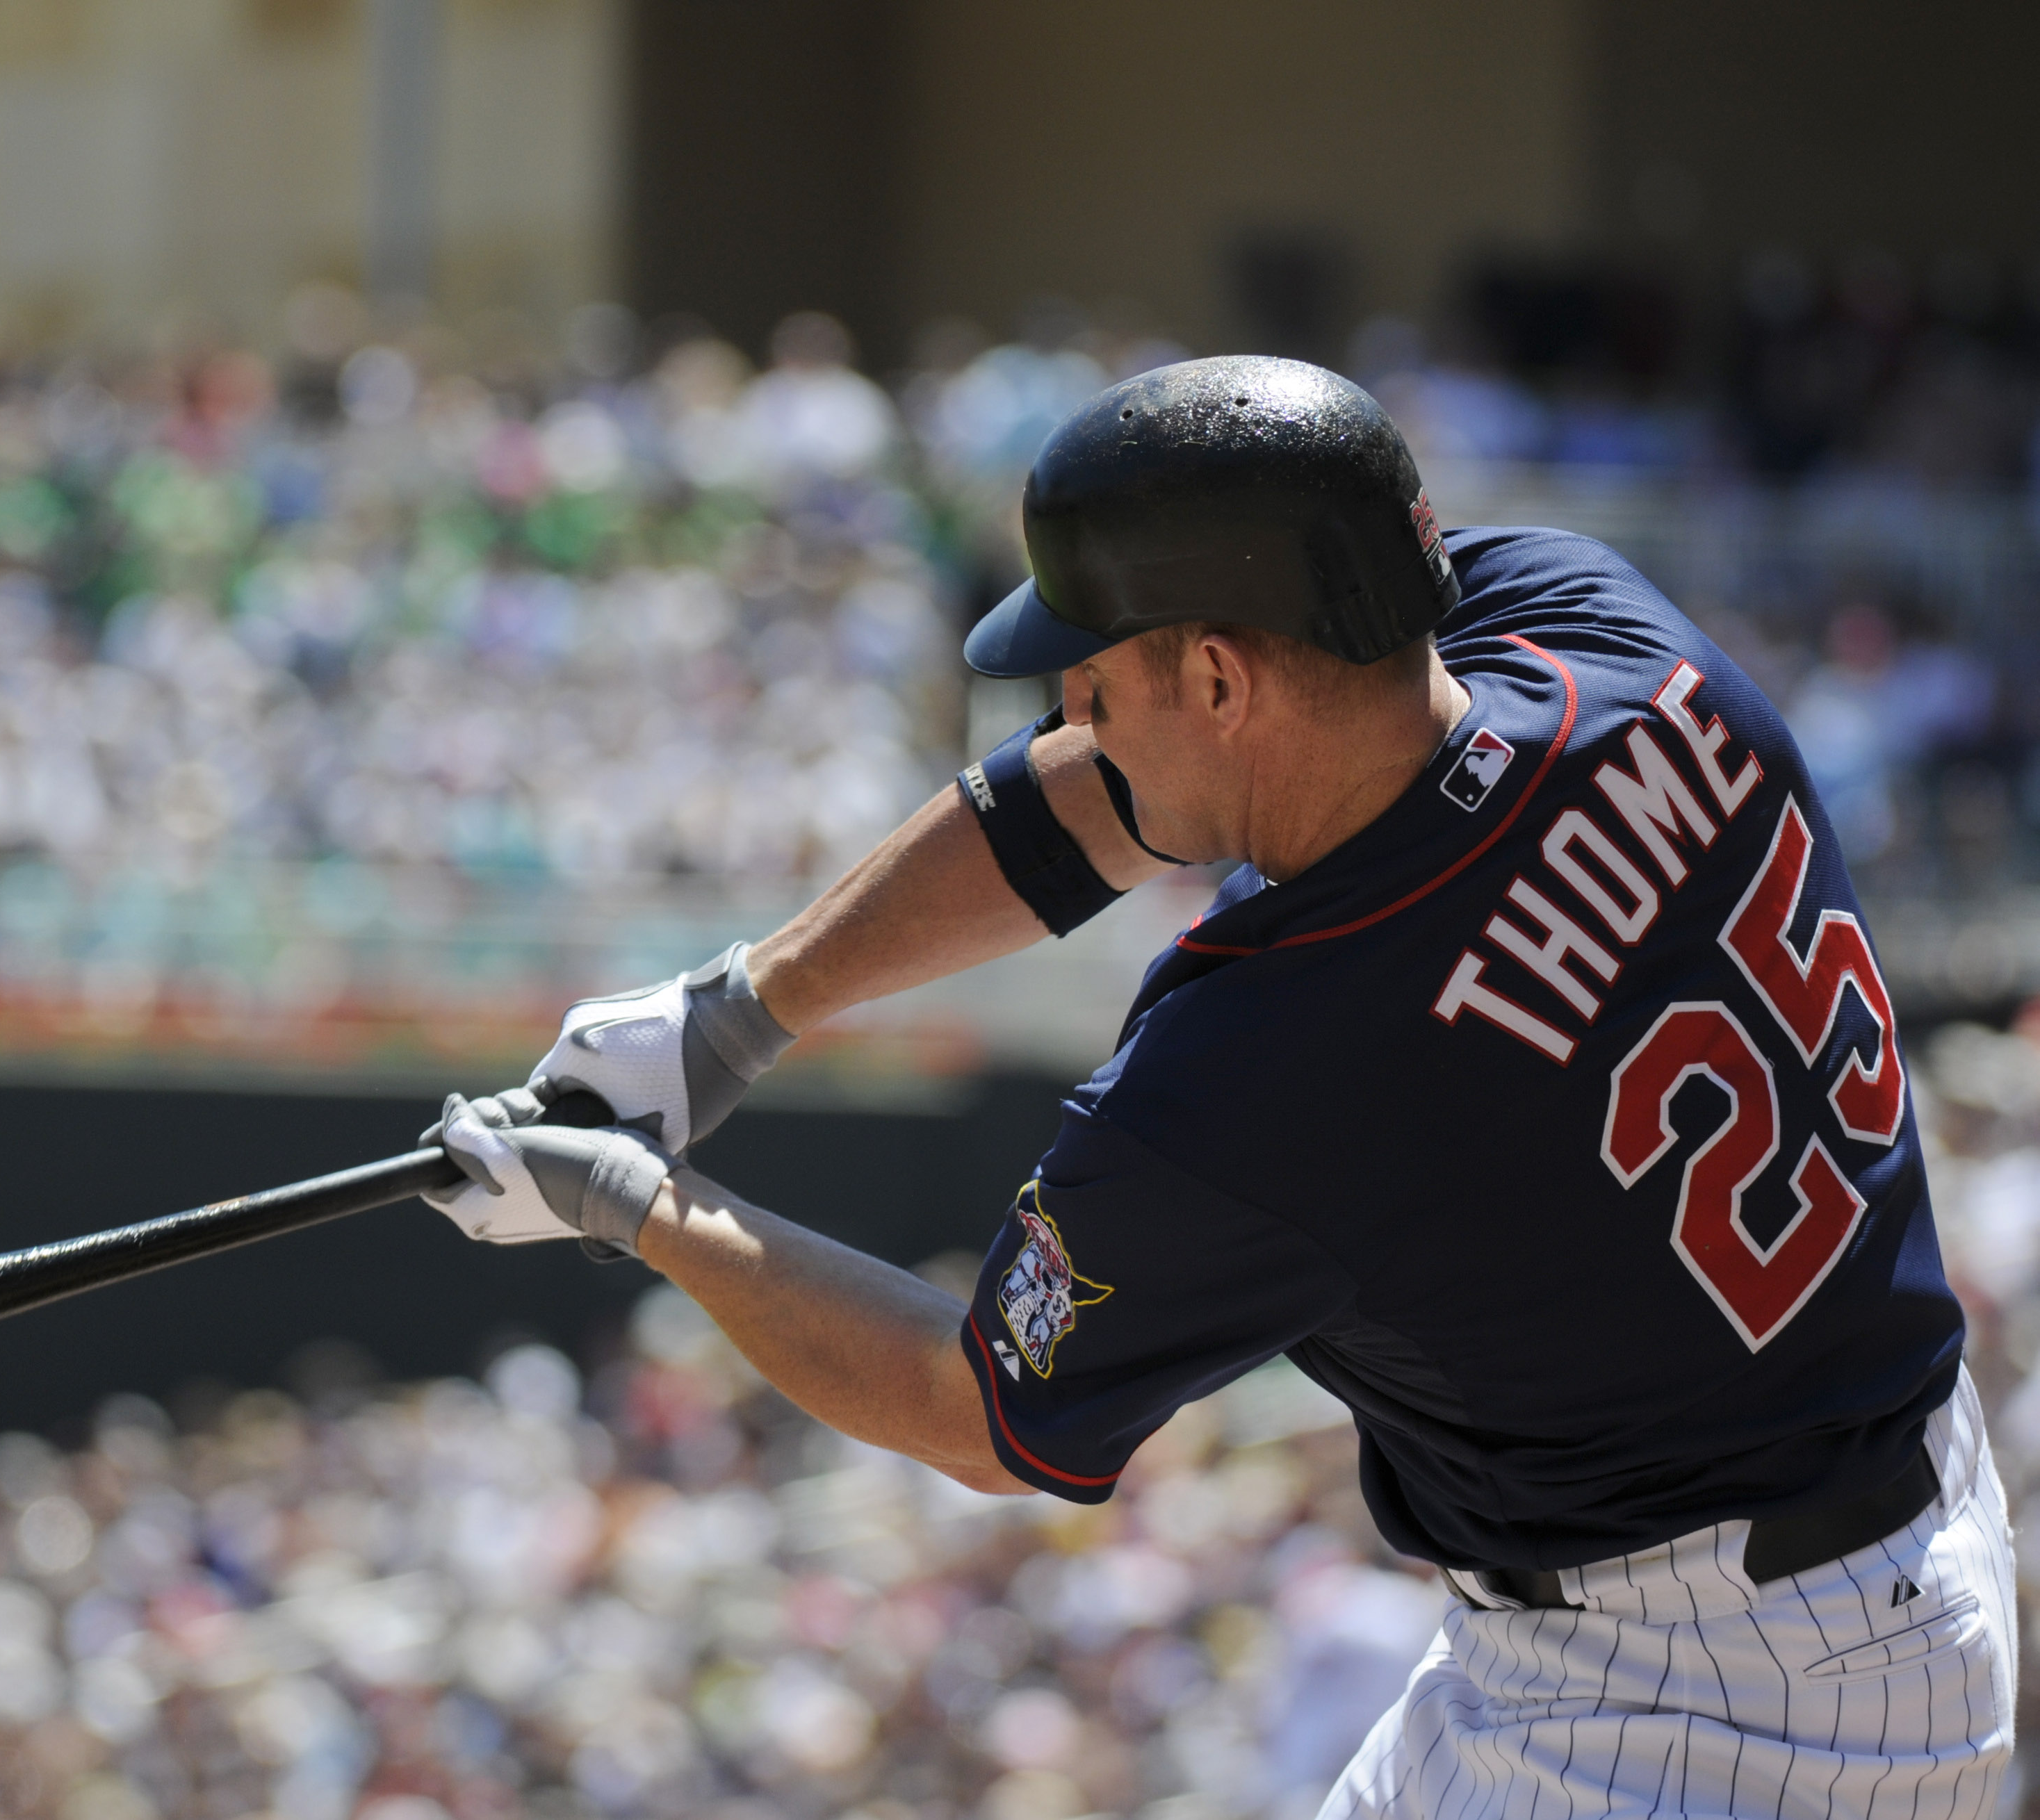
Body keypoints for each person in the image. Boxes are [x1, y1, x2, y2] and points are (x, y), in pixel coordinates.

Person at [423, 356, 2015, 1817]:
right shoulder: (1592, 631)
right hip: (1852, 1524)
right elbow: (1092, 805)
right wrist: (737, 1009)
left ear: (1219, 675)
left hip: (1715, 1706)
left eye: (1094, 674)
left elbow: (981, 1411)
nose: (1065, 710)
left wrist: (639, 1206)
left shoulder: (1269, 1068)